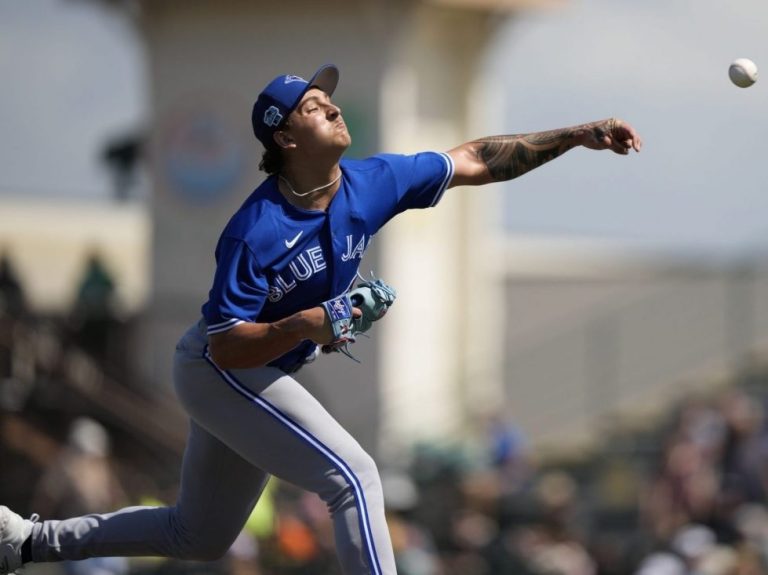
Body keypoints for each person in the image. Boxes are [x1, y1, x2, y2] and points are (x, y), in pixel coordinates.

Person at [0, 63, 642, 575]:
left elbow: (476, 157)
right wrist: (311, 322)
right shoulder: (256, 230)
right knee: (355, 477)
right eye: (312, 105)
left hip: (256, 366)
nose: (331, 107)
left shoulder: (372, 181)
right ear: (284, 138)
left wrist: (576, 136)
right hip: (216, 366)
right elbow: (226, 346)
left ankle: (25, 542)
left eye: (328, 99)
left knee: (196, 536)